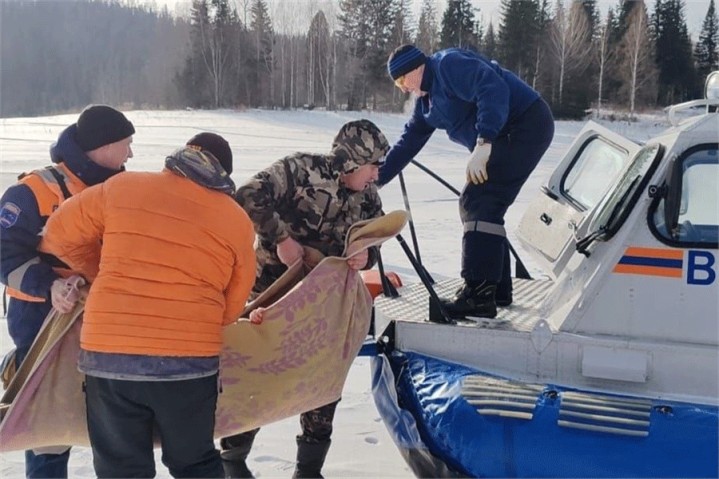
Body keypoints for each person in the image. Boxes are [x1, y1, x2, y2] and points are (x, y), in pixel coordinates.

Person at [39, 133, 257, 478]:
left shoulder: (123, 187)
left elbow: (59, 231)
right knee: (196, 464)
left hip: (109, 356)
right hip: (189, 364)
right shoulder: (236, 220)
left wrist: (104, 273)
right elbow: (232, 307)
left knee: (121, 470)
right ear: (223, 175)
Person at [220, 119, 390, 479]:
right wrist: (281, 238)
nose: (377, 174)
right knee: (257, 376)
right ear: (352, 162)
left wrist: (365, 257)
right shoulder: (300, 170)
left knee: (323, 381)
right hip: (272, 297)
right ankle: (232, 460)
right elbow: (249, 195)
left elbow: (373, 236)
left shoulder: (369, 197)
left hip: (324, 305)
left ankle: (309, 470)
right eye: (373, 165)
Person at [0, 104, 135, 478]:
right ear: (103, 146)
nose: (131, 153)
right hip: (43, 324)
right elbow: (5, 255)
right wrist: (52, 286)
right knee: (49, 427)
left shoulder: (122, 189)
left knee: (109, 423)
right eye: (126, 143)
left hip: (104, 326)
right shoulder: (33, 192)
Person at [380, 44, 555, 319]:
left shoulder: (447, 66)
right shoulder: (426, 104)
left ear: (416, 68)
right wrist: (375, 179)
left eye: (402, 80)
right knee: (485, 203)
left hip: (525, 123)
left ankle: (478, 296)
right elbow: (408, 142)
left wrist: (484, 141)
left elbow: (492, 87)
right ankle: (496, 290)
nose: (402, 88)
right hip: (503, 135)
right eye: (397, 84)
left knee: (478, 201)